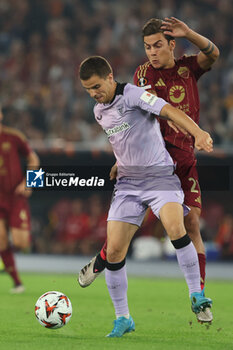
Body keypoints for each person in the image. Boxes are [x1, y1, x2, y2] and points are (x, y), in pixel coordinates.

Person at [78, 18, 219, 323]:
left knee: (191, 223)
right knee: (135, 232)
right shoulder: (142, 75)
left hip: (184, 156)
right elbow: (141, 117)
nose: (152, 53)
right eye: (147, 47)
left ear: (171, 44)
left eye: (157, 45)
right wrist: (123, 158)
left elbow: (214, 55)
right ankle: (107, 257)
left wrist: (189, 34)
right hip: (157, 157)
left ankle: (199, 294)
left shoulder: (188, 67)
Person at [0, 106, 39, 293]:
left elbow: (34, 159)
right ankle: (17, 282)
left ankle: (9, 247)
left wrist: (30, 183)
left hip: (15, 197)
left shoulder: (13, 137)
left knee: (21, 243)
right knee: (0, 240)